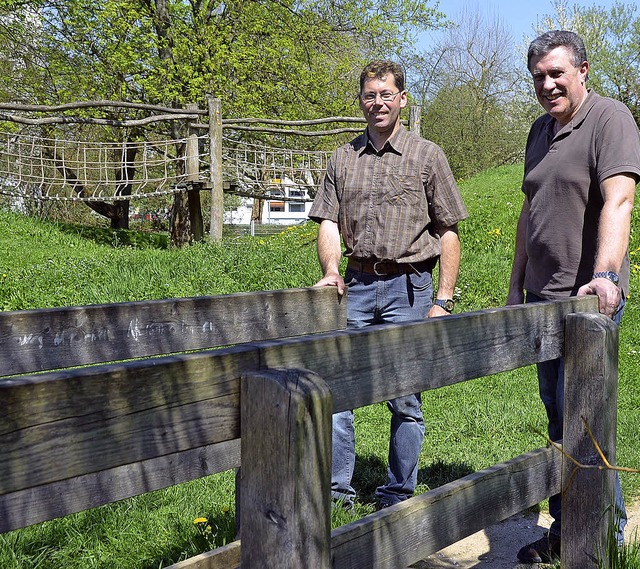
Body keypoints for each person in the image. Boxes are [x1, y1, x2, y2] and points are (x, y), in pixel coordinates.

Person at [309, 60, 468, 510]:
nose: (377, 103)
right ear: (361, 101)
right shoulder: (342, 158)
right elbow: (327, 221)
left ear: (401, 99)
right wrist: (331, 269)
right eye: (369, 95)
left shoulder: (427, 155)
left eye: (386, 94)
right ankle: (337, 493)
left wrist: (444, 298)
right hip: (354, 286)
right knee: (338, 392)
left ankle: (397, 494)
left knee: (405, 397)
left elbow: (449, 229)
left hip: (410, 288)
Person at [506, 30, 640, 564]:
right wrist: (515, 287)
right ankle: (569, 528)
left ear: (583, 69)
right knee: (560, 420)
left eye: (557, 73)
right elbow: (528, 213)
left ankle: (602, 532)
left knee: (585, 421)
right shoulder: (540, 130)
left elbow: (621, 198)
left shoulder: (610, 119)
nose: (548, 84)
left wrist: (605, 275)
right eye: (539, 76)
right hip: (542, 300)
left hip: (589, 302)